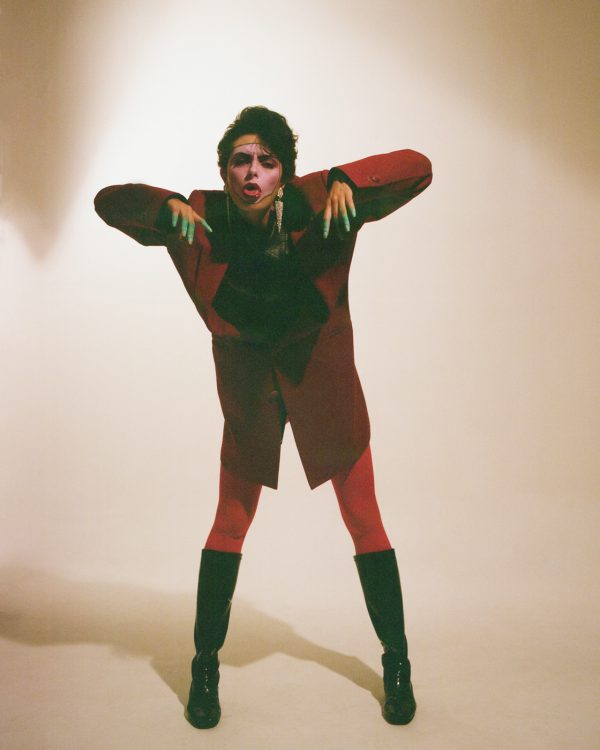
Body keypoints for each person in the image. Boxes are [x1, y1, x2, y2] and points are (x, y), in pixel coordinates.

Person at [94, 106, 432, 729]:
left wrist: (349, 180)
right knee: (229, 524)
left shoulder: (324, 202)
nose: (252, 172)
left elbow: (418, 168)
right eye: (241, 161)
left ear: (285, 172)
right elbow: (109, 202)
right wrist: (164, 204)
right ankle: (204, 666)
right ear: (225, 171)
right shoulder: (199, 218)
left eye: (267, 162)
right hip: (252, 397)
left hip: (324, 389)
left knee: (364, 520)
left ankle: (398, 661)